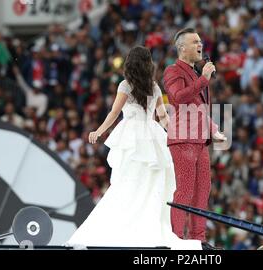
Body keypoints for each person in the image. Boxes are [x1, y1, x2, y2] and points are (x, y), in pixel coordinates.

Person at [65, 46, 201, 250]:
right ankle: (145, 226)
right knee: (149, 183)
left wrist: (99, 131)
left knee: (127, 182)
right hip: (151, 136)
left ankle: (127, 226)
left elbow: (114, 113)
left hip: (132, 137)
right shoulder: (154, 87)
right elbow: (163, 117)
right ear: (148, 64)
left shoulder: (125, 85)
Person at [163, 28, 227, 249]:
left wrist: (213, 129)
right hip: (183, 139)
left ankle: (198, 239)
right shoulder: (173, 71)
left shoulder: (196, 73)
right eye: (195, 42)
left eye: (201, 41)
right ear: (182, 47)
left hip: (200, 141)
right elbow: (178, 98)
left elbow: (199, 109)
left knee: (203, 190)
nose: (201, 45)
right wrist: (203, 79)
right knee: (186, 189)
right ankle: (176, 239)